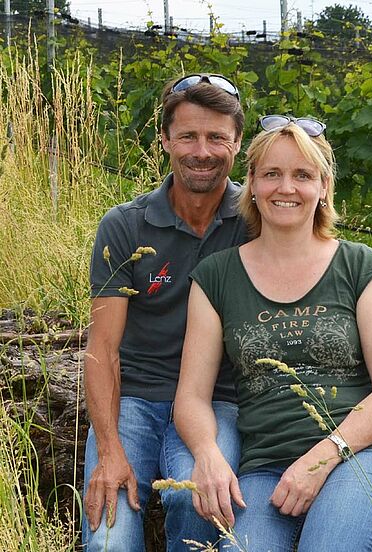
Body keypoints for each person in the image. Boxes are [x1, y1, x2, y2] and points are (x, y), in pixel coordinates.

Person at [174, 115, 372, 551]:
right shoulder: (215, 276)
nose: (285, 188)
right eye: (272, 173)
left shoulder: (359, 266)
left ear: (324, 186)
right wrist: (208, 453)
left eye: (302, 175)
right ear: (250, 183)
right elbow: (192, 396)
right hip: (265, 469)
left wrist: (322, 457)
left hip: (365, 457)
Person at [82, 74, 248, 552]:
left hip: (217, 400)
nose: (203, 150)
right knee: (108, 538)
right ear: (165, 141)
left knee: (200, 503)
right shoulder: (126, 225)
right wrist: (109, 449)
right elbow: (103, 348)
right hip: (132, 399)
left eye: (217, 137)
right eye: (188, 136)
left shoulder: (256, 221)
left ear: (237, 142)